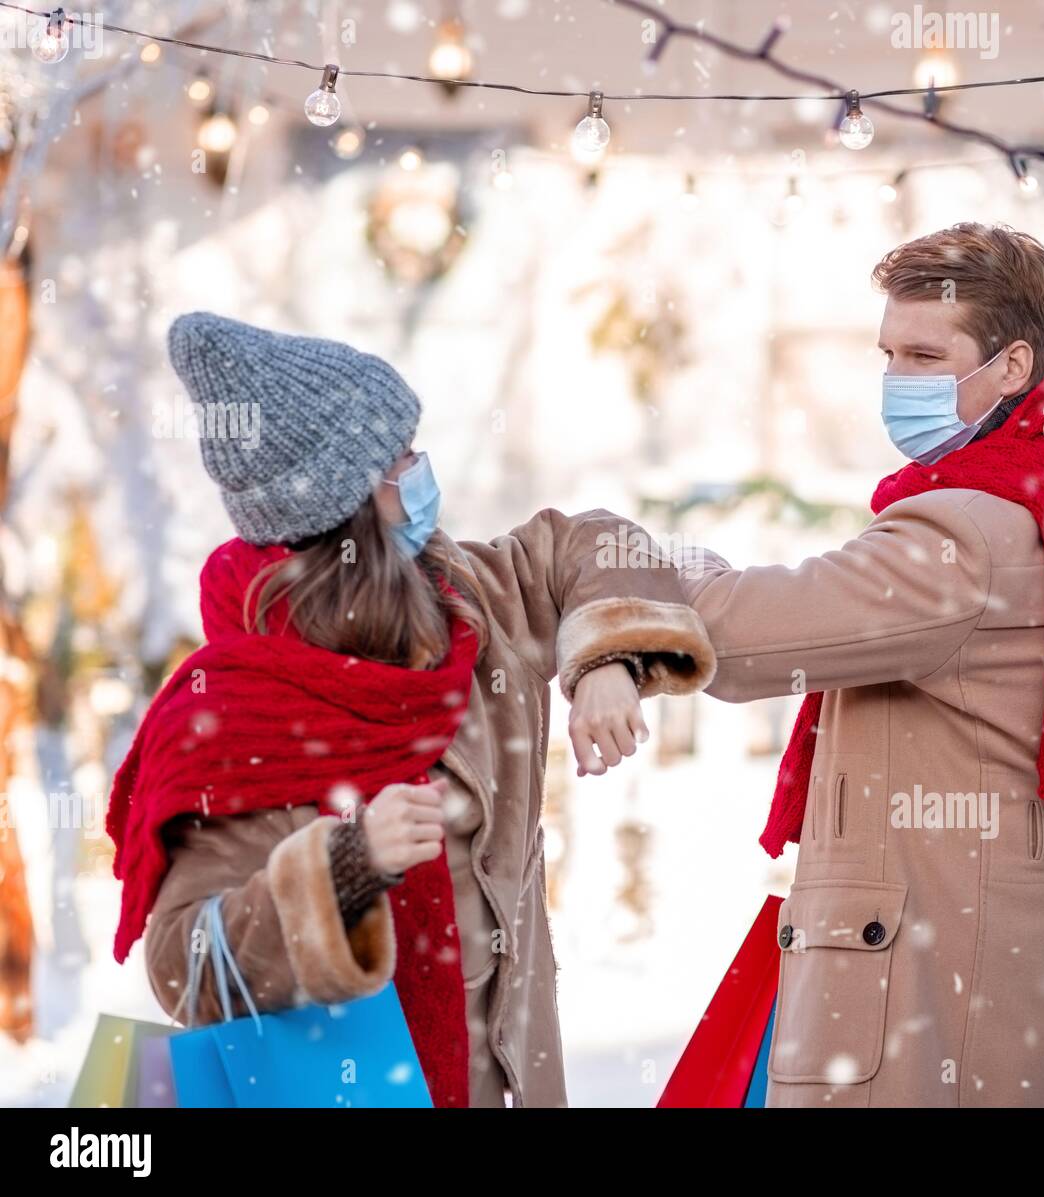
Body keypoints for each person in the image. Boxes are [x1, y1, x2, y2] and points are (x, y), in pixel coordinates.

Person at [107, 312, 716, 1108]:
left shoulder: (471, 599)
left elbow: (589, 545)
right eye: (400, 458)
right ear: (348, 503)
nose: (424, 470)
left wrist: (607, 657)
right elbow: (186, 965)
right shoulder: (234, 707)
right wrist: (343, 867)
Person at [675, 222, 1044, 1107]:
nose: (898, 379)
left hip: (929, 993)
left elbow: (739, 637)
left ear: (1012, 366)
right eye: (890, 353)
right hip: (1040, 982)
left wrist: (658, 566)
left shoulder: (967, 531)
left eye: (926, 355)